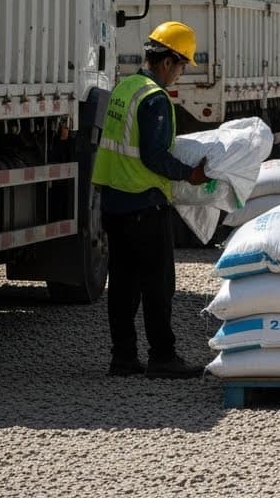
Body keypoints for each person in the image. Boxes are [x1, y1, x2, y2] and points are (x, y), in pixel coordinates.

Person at [91, 21, 208, 379]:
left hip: (113, 201)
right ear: (167, 61)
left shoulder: (126, 87)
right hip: (144, 202)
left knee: (122, 284)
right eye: (182, 65)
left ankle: (123, 357)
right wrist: (190, 174)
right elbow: (154, 156)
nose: (181, 73)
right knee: (158, 284)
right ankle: (162, 357)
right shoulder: (155, 98)